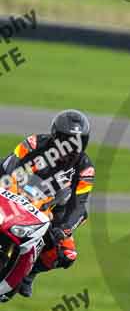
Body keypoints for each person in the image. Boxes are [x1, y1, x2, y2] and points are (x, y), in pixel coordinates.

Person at [1, 109, 94, 297]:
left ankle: (30, 273)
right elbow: (11, 164)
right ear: (54, 137)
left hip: (49, 208)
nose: (71, 148)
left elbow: (78, 204)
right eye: (66, 141)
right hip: (14, 191)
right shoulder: (34, 143)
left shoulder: (85, 168)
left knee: (67, 254)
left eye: (77, 142)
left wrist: (64, 228)